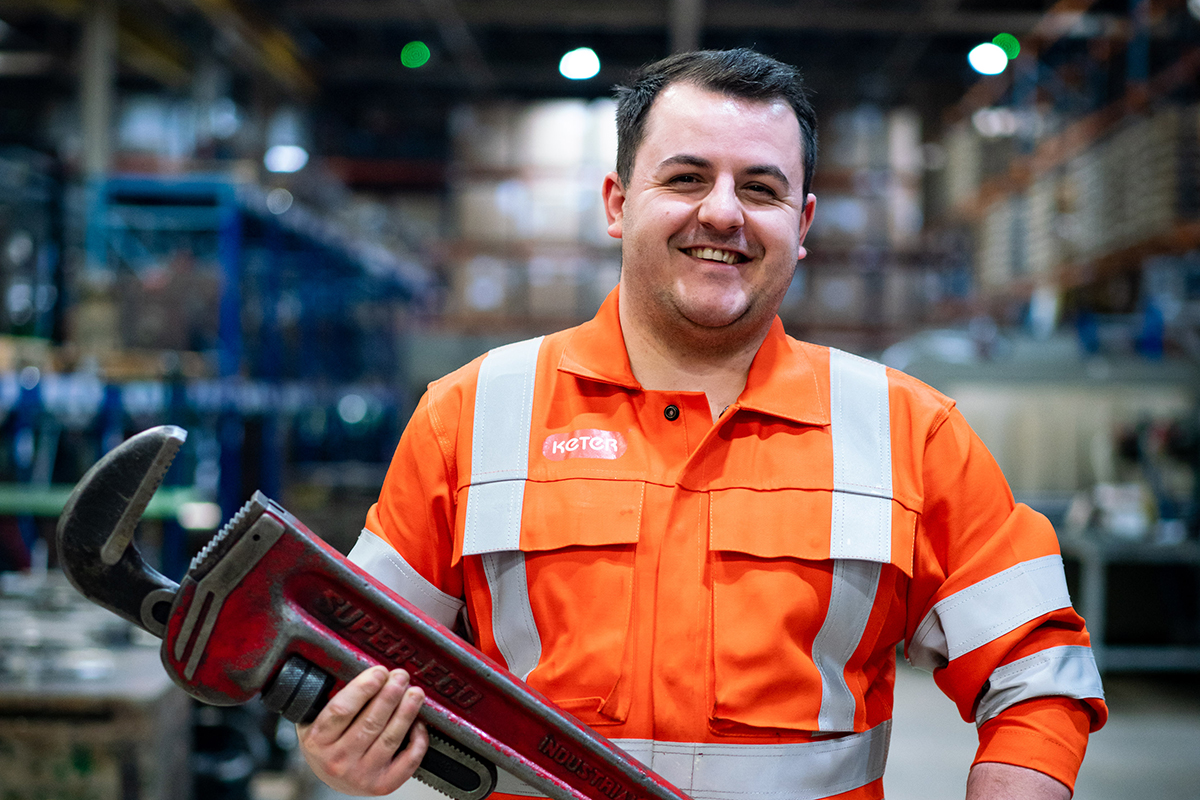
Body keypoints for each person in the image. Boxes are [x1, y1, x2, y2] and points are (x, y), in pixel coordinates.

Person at [297, 48, 1107, 800]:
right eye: (686, 178)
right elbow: (356, 658)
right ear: (618, 204)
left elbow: (1039, 672)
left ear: (805, 224)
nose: (723, 214)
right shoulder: (471, 415)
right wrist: (342, 740)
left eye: (760, 188)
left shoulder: (909, 433)